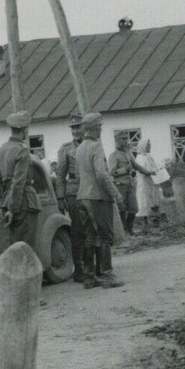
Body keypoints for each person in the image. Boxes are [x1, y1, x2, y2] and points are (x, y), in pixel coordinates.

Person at [75, 112, 125, 289]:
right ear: (97, 128)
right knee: (104, 235)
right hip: (97, 197)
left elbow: (79, 174)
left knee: (90, 236)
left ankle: (89, 277)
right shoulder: (96, 146)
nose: (101, 130)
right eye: (100, 127)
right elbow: (102, 174)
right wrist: (116, 194)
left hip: (82, 196)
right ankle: (107, 275)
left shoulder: (80, 147)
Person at [0, 110, 42, 252]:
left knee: (15, 247)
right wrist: (12, 209)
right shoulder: (22, 150)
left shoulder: (0, 151)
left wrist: (2, 206)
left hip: (9, 202)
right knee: (27, 249)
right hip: (23, 203)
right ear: (24, 129)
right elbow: (18, 182)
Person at [54, 113, 86, 282]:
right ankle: (79, 269)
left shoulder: (91, 145)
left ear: (84, 127)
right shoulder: (66, 149)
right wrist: (60, 198)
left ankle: (92, 266)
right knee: (78, 230)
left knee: (92, 229)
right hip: (74, 193)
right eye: (73, 128)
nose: (75, 131)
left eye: (78, 127)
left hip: (91, 191)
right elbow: (60, 175)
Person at [109, 132, 155, 235]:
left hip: (130, 184)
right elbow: (112, 172)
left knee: (134, 208)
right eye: (123, 139)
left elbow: (135, 165)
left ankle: (129, 229)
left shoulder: (128, 153)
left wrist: (147, 172)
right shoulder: (113, 156)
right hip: (120, 185)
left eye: (126, 139)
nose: (126, 141)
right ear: (117, 141)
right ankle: (125, 231)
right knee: (122, 209)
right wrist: (125, 169)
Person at [135, 140, 163, 231]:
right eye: (148, 145)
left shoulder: (149, 157)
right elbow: (142, 171)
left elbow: (155, 167)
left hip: (152, 182)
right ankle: (145, 225)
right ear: (143, 146)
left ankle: (154, 224)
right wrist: (151, 172)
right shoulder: (139, 158)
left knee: (153, 202)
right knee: (144, 202)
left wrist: (159, 171)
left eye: (150, 145)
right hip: (144, 183)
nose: (150, 147)